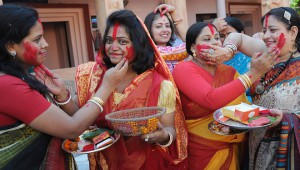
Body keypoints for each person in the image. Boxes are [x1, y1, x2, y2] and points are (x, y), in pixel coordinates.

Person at [0, 4, 128, 169]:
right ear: (11, 46)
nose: (46, 44)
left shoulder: (23, 78)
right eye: (37, 40)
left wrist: (62, 95)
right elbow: (72, 128)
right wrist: (107, 86)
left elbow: (80, 121)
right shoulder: (7, 85)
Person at [75, 9, 187, 169]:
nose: (112, 47)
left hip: (147, 162)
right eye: (108, 40)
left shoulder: (160, 84)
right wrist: (62, 95)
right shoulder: (93, 76)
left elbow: (170, 129)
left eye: (122, 42)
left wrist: (162, 136)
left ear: (138, 43)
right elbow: (76, 117)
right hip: (106, 162)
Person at [172, 22, 281, 169]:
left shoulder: (229, 71)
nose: (215, 42)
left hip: (233, 146)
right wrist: (254, 73)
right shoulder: (183, 69)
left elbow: (243, 107)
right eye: (206, 39)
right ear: (192, 47)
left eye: (217, 37)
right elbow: (211, 99)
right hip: (200, 151)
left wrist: (266, 114)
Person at [207, 7, 300, 170]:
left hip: (286, 152)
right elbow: (237, 37)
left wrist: (286, 118)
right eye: (264, 30)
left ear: (293, 32)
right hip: (255, 145)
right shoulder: (266, 54)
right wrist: (228, 51)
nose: (265, 36)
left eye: (272, 30)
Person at [144, 4, 188, 72]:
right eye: (158, 26)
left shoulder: (174, 50)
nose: (165, 30)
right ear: (148, 30)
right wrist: (174, 12)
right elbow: (191, 46)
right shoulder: (153, 52)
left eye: (167, 26)